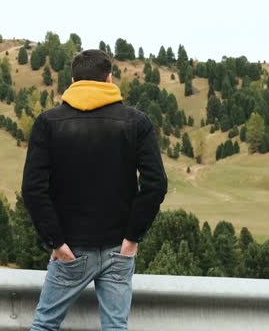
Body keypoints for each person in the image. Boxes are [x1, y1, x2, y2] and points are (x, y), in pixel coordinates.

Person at [22, 49, 168, 330]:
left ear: (74, 81)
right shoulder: (136, 121)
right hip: (119, 248)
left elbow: (33, 188)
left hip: (70, 248)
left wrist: (56, 242)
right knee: (115, 328)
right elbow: (155, 183)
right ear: (109, 78)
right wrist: (132, 238)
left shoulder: (48, 123)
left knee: (44, 325)